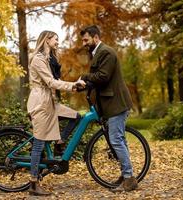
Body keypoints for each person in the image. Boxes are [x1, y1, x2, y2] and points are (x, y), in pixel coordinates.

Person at [79, 25, 138, 192]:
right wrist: (85, 85)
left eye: (86, 39)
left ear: (96, 37)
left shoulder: (106, 52)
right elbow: (98, 79)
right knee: (119, 140)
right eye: (83, 40)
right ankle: (126, 175)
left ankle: (129, 179)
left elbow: (103, 77)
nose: (84, 43)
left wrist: (84, 77)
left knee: (116, 140)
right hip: (110, 104)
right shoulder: (98, 52)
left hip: (116, 104)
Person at [27, 30, 85, 196]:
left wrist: (75, 85)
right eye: (55, 39)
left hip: (50, 102)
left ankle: (60, 141)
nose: (58, 42)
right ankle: (33, 183)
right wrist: (72, 85)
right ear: (46, 40)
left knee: (76, 116)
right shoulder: (38, 59)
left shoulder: (49, 59)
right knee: (38, 144)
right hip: (40, 104)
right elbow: (51, 82)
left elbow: (56, 81)